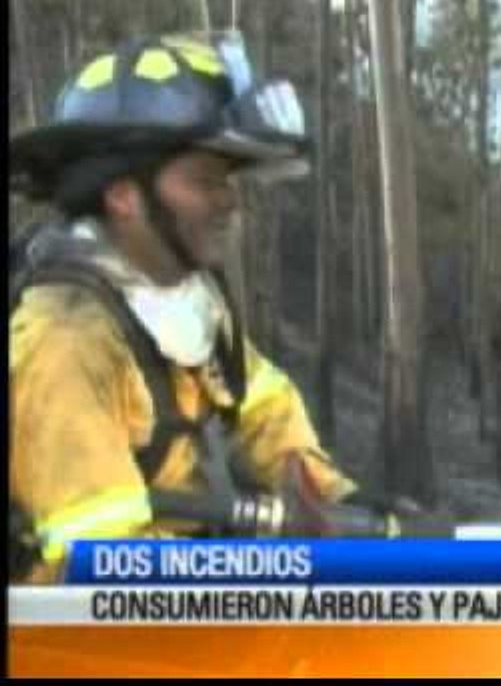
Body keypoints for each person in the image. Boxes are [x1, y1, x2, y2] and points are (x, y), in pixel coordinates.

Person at [9, 32, 429, 583]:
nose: (230, 199)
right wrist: (259, 572)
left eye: (229, 180)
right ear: (123, 195)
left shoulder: (183, 302)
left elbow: (263, 407)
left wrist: (341, 504)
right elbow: (101, 571)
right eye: (205, 180)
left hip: (186, 613)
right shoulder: (64, 340)